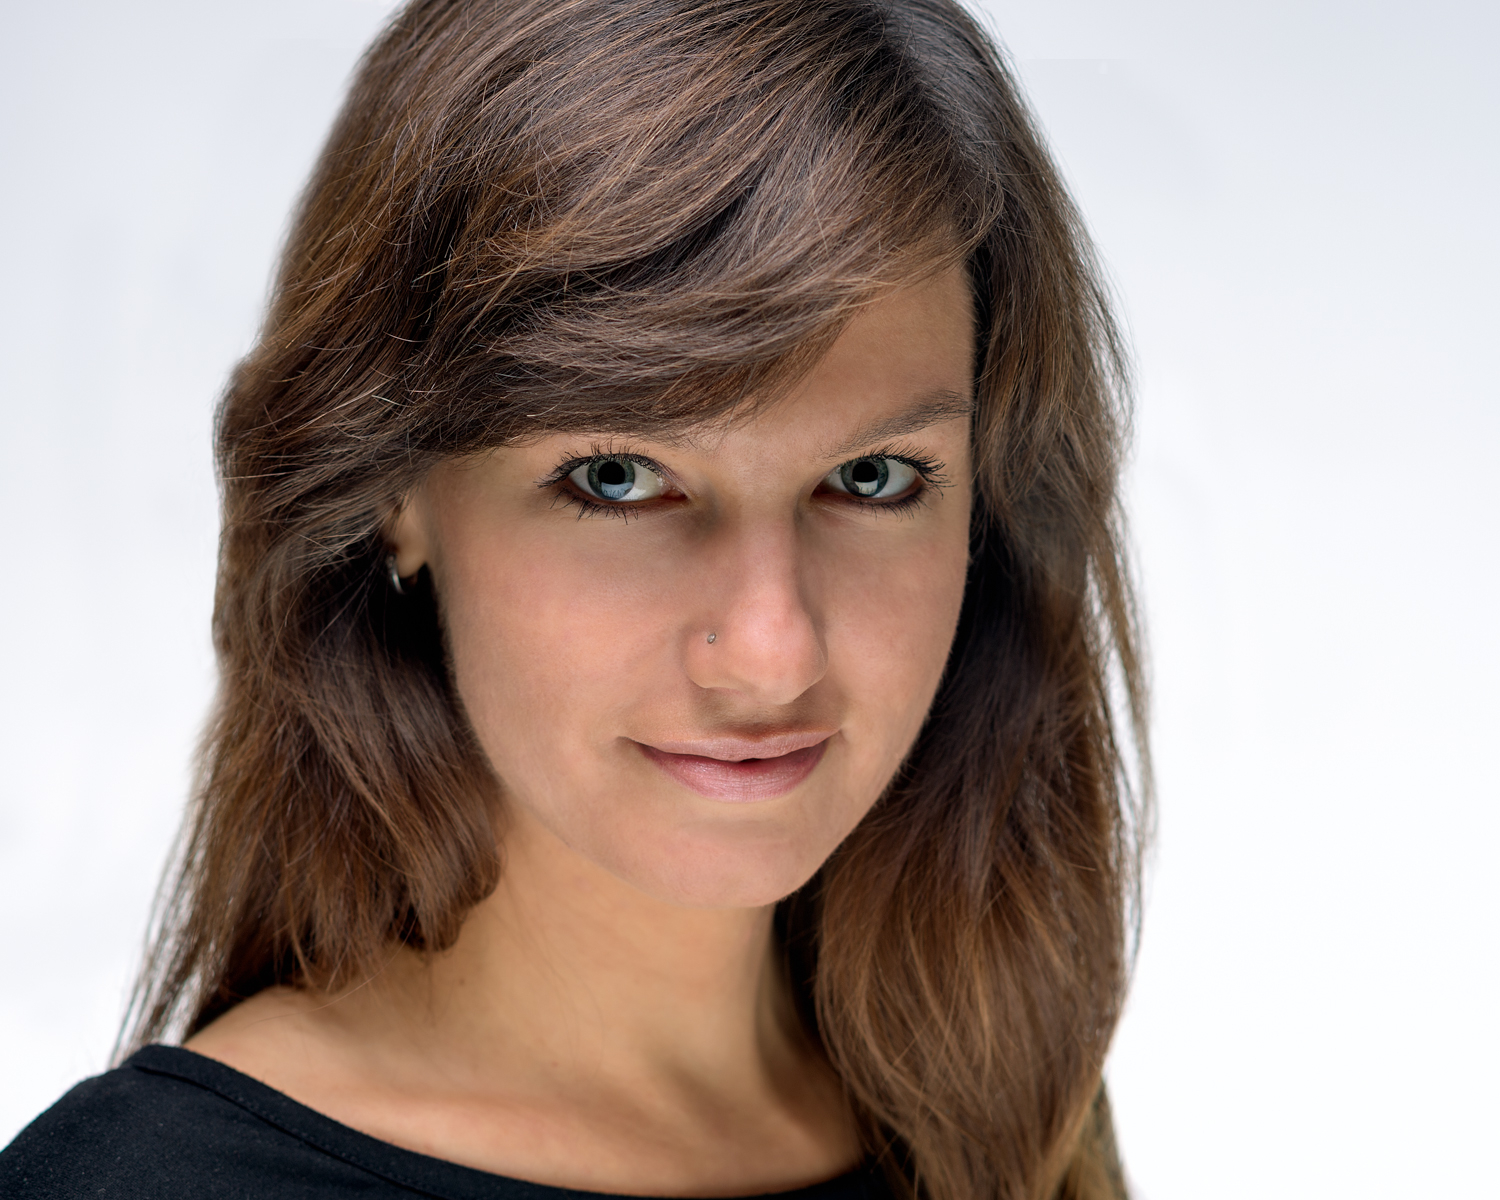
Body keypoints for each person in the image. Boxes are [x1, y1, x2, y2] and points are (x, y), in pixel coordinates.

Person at [0, 1, 1146, 1197]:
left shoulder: (997, 1110)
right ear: (394, 493)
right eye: (619, 479)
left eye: (871, 478)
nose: (771, 652)